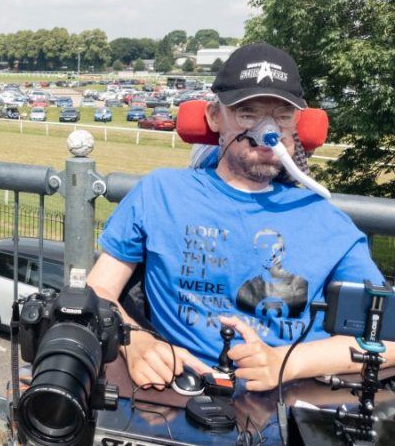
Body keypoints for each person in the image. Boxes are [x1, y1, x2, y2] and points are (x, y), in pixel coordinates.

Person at [87, 42, 392, 391]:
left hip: (285, 400)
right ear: (215, 117)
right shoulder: (160, 193)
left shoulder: (327, 221)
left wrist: (285, 363)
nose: (267, 131)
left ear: (299, 125)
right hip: (178, 392)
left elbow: (387, 337)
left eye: (282, 115)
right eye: (248, 113)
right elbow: (98, 289)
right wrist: (134, 341)